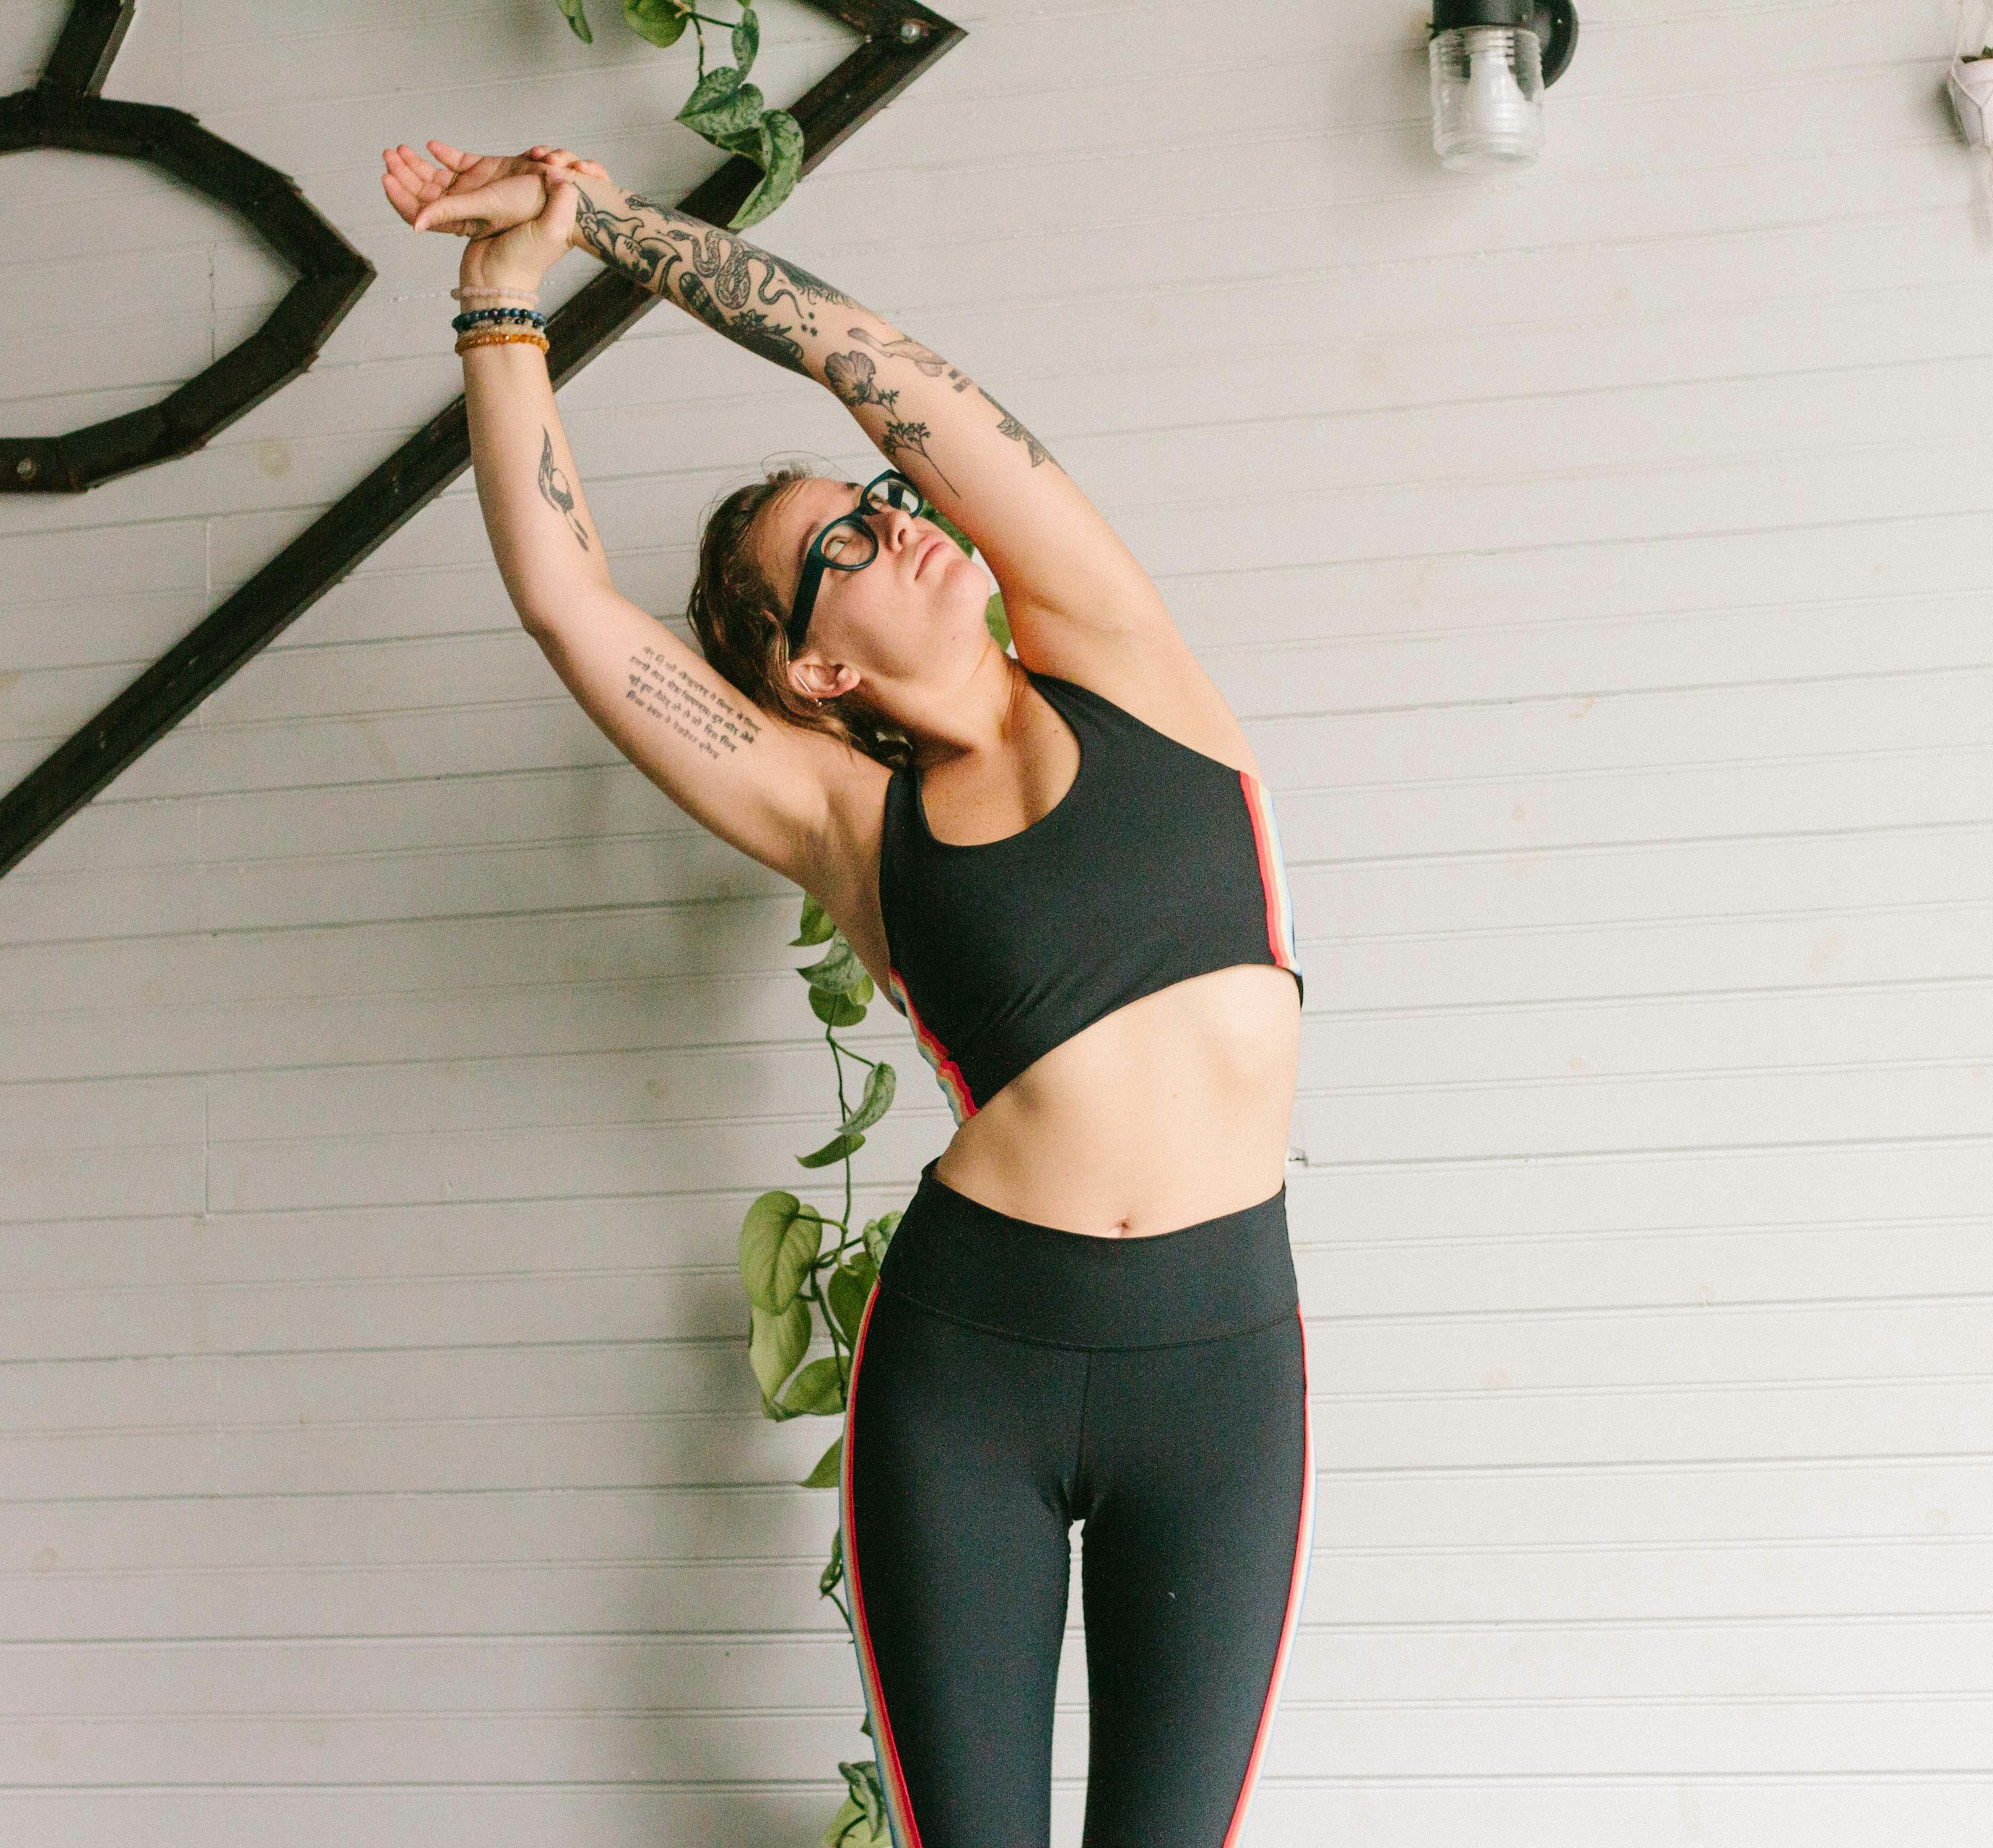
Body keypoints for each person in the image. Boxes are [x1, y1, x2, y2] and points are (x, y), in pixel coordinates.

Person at [382, 138, 1312, 1848]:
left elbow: (871, 364)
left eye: (882, 503)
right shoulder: (847, 821)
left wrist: (607, 224)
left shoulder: (1116, 646)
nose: (898, 522)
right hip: (972, 1373)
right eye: (847, 548)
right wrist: (500, 295)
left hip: (1220, 1370)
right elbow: (565, 602)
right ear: (817, 669)